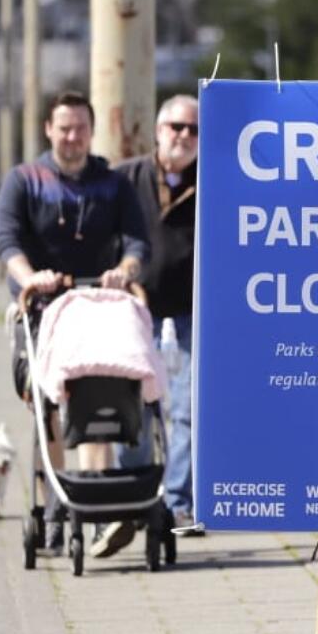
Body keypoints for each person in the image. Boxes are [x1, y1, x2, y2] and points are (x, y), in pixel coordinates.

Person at [0, 89, 149, 556]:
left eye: (81, 128)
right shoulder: (24, 180)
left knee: (99, 395)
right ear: (49, 130)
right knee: (49, 410)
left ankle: (96, 502)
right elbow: (7, 244)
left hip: (98, 306)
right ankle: (56, 504)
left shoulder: (113, 183)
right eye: (64, 128)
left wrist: (125, 271)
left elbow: (137, 244)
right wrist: (31, 278)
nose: (72, 137)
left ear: (91, 131)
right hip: (43, 309)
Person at [108, 95, 201, 554]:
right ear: (158, 130)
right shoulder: (127, 177)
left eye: (192, 129)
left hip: (190, 312)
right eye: (175, 127)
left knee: (186, 408)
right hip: (137, 310)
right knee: (134, 403)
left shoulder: (211, 181)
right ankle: (134, 495)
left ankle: (179, 501)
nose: (183, 136)